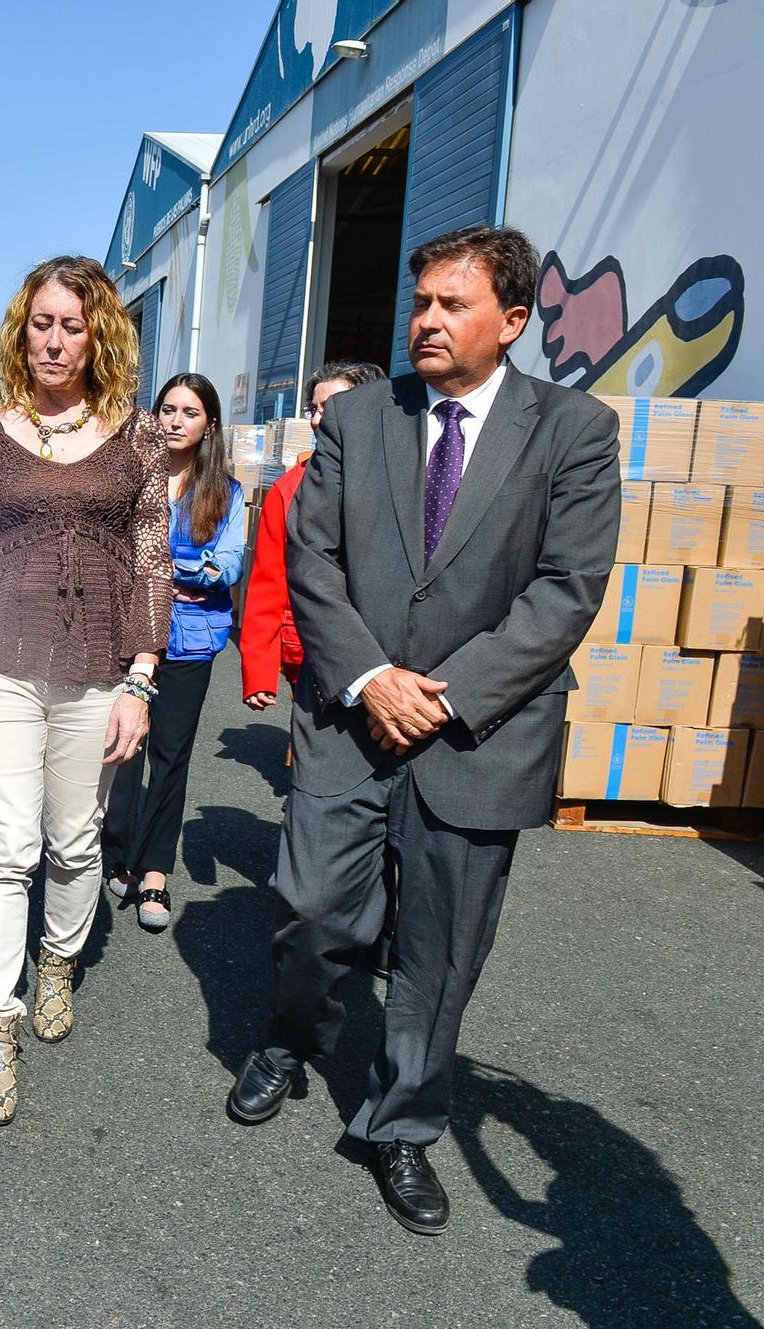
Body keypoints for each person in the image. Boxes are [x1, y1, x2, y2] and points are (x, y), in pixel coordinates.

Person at [226, 226, 620, 1237]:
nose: (426, 321)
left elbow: (564, 590)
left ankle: (401, 1123)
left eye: (451, 304)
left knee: (439, 952)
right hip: (349, 720)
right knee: (311, 908)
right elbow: (310, 561)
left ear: (512, 321)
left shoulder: (571, 429)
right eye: (420, 304)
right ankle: (290, 1035)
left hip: (475, 735)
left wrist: (438, 695)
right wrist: (367, 677)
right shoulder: (360, 417)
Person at [0, 256, 167, 1125]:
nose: (56, 340)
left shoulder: (139, 434)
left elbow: (150, 561)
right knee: (6, 846)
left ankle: (59, 957)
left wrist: (143, 677)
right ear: (22, 328)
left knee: (74, 842)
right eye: (42, 323)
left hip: (101, 668)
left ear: (99, 335)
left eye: (73, 325)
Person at [100, 373, 245, 932]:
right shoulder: (127, 477)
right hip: (125, 632)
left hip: (191, 639)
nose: (175, 420)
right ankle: (117, 851)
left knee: (170, 754)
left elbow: (227, 565)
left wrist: (168, 571)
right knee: (120, 747)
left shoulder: (225, 493)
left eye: (189, 412)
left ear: (209, 424)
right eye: (167, 409)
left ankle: (156, 870)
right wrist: (184, 571)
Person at [238, 360, 386, 710]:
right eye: (313, 409)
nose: (318, 419)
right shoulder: (288, 489)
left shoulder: (404, 479)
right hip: (308, 652)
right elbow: (266, 584)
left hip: (385, 654)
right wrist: (258, 670)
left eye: (331, 407)